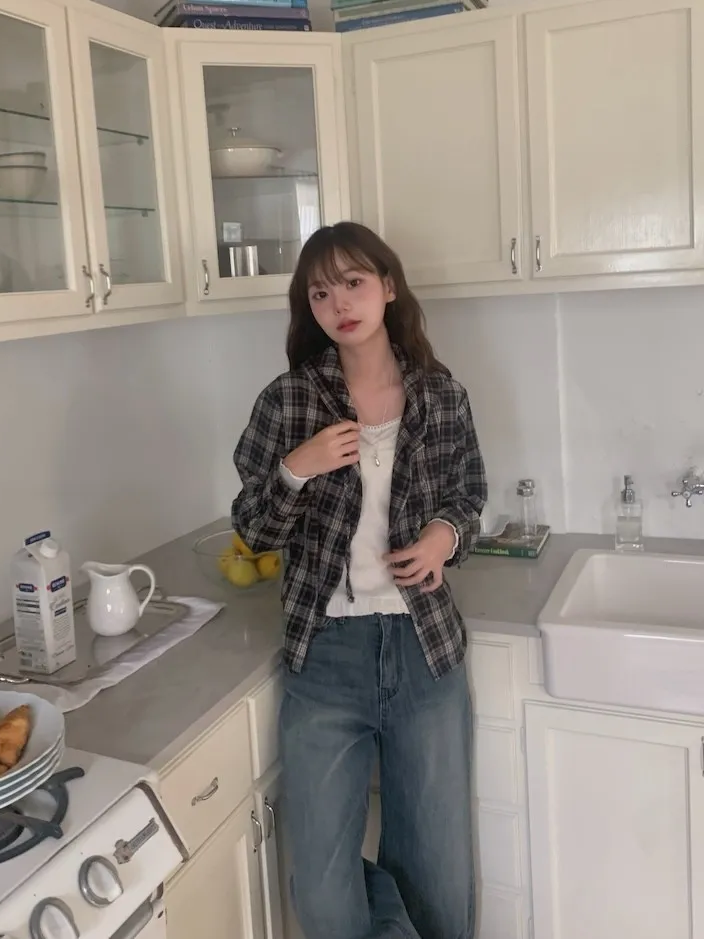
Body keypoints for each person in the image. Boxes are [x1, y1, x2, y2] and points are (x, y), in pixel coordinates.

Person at [232, 222, 487, 939]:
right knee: (322, 881)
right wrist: (297, 467)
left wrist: (443, 537)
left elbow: (468, 497)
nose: (339, 303)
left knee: (437, 870)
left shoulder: (441, 396)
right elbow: (253, 528)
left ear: (388, 287)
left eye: (353, 282)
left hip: (423, 649)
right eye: (320, 293)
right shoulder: (288, 401)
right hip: (326, 656)